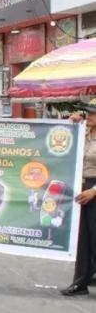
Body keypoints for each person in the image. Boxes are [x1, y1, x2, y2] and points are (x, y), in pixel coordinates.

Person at [61, 99, 96, 296]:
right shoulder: (84, 133)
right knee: (82, 239)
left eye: (92, 113)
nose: (88, 115)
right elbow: (63, 140)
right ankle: (80, 282)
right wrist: (70, 123)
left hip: (94, 189)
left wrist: (94, 191)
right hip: (80, 188)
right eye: (87, 113)